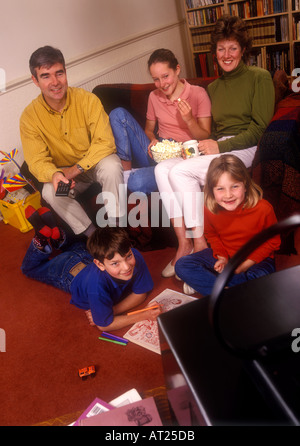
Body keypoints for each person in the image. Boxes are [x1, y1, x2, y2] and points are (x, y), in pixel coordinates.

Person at [155, 15, 275, 277]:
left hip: (247, 146)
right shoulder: (214, 87)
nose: (227, 54)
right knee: (163, 169)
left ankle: (199, 244)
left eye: (233, 47)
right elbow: (211, 133)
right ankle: (183, 243)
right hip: (220, 146)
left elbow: (260, 129)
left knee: (180, 172)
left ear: (243, 50)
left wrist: (220, 148)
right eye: (221, 49)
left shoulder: (260, 77)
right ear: (215, 53)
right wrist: (197, 145)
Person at [20, 46, 125, 238]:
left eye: (59, 73)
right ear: (34, 80)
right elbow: (36, 161)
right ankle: (93, 237)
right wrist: (55, 174)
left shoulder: (88, 100)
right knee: (50, 193)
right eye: (45, 76)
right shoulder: (29, 117)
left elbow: (105, 142)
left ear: (66, 72)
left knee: (111, 165)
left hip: (93, 164)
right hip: (66, 177)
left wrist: (75, 169)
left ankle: (117, 230)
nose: (55, 82)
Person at [21, 206, 161, 332]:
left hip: (85, 255)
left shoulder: (134, 254)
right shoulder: (96, 285)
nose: (126, 266)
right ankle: (40, 241)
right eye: (115, 263)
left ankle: (59, 237)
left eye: (128, 256)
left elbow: (141, 293)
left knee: (76, 246)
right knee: (29, 269)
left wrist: (113, 310)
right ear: (100, 264)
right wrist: (144, 315)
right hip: (68, 272)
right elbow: (104, 325)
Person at [109, 48, 211, 195]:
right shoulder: (154, 96)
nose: (162, 84)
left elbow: (205, 136)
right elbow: (149, 130)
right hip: (159, 151)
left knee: (136, 182)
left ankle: (140, 174)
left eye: (165, 76)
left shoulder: (198, 93)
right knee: (117, 114)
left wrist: (189, 120)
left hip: (183, 156)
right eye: (156, 79)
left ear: (177, 69)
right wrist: (153, 140)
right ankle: (126, 173)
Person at [175, 154, 281, 296]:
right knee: (182, 265)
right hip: (229, 258)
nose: (228, 195)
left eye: (235, 186)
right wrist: (222, 258)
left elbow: (273, 241)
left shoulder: (263, 208)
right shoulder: (209, 208)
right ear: (211, 190)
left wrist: (242, 266)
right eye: (220, 189)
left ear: (245, 185)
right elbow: (211, 235)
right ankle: (228, 292)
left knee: (259, 279)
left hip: (256, 261)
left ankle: (213, 286)